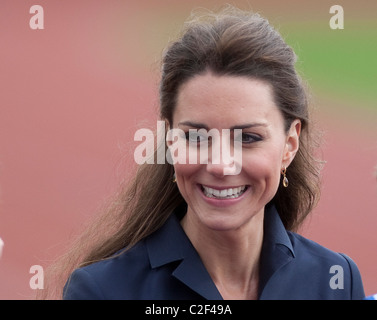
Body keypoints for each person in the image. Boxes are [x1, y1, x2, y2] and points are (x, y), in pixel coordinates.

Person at [43, 6, 365, 300]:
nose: (220, 164)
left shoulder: (334, 281)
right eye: (196, 136)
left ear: (289, 145)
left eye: (248, 137)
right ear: (170, 140)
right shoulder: (103, 291)